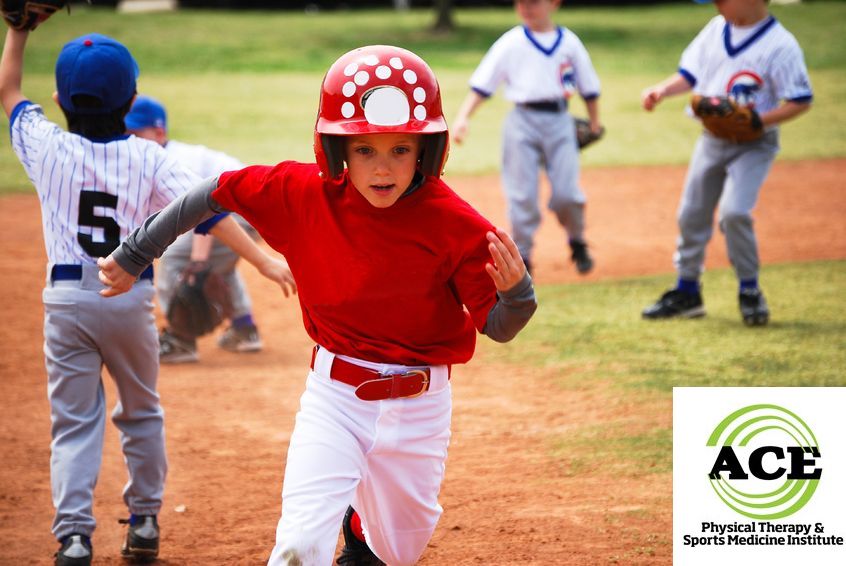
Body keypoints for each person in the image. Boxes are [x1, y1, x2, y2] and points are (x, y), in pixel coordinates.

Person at [98, 45, 538, 566]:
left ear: (426, 149)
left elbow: (499, 326)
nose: (383, 167)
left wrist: (518, 294)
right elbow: (215, 192)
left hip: (421, 406)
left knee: (398, 551)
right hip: (337, 398)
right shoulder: (302, 193)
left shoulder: (456, 224)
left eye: (400, 149)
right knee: (299, 544)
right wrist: (136, 252)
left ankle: (360, 533)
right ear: (337, 150)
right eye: (365, 149)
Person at [0, 29, 294, 565]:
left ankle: (73, 536)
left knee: (73, 421)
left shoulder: (44, 144)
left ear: (62, 99)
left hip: (65, 299)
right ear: (132, 101)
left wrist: (17, 31)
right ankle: (143, 523)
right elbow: (206, 209)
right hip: (129, 299)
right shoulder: (149, 157)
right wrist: (265, 258)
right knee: (140, 413)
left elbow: (9, 90)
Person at [640, 0, 812, 325]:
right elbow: (689, 74)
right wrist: (662, 90)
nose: (717, 4)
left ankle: (750, 290)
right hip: (711, 140)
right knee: (692, 214)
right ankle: (687, 291)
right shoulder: (715, 29)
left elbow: (800, 100)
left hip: (754, 144)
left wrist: (759, 120)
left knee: (734, 213)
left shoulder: (780, 44)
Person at [452, 0, 602, 277]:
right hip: (521, 122)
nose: (525, 7)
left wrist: (594, 121)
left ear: (553, 3)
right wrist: (463, 118)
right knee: (521, 195)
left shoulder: (569, 42)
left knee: (567, 194)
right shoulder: (511, 43)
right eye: (520, 2)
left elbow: (589, 87)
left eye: (533, 2)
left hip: (560, 120)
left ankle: (577, 240)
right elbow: (483, 85)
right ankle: (523, 256)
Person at [125, 95, 266, 363]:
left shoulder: (172, 160)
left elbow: (206, 212)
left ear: (159, 132)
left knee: (179, 258)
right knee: (215, 262)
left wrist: (198, 260)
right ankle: (244, 328)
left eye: (134, 133)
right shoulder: (161, 157)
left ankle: (181, 339)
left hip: (241, 210)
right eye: (124, 133)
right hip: (250, 210)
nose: (128, 140)